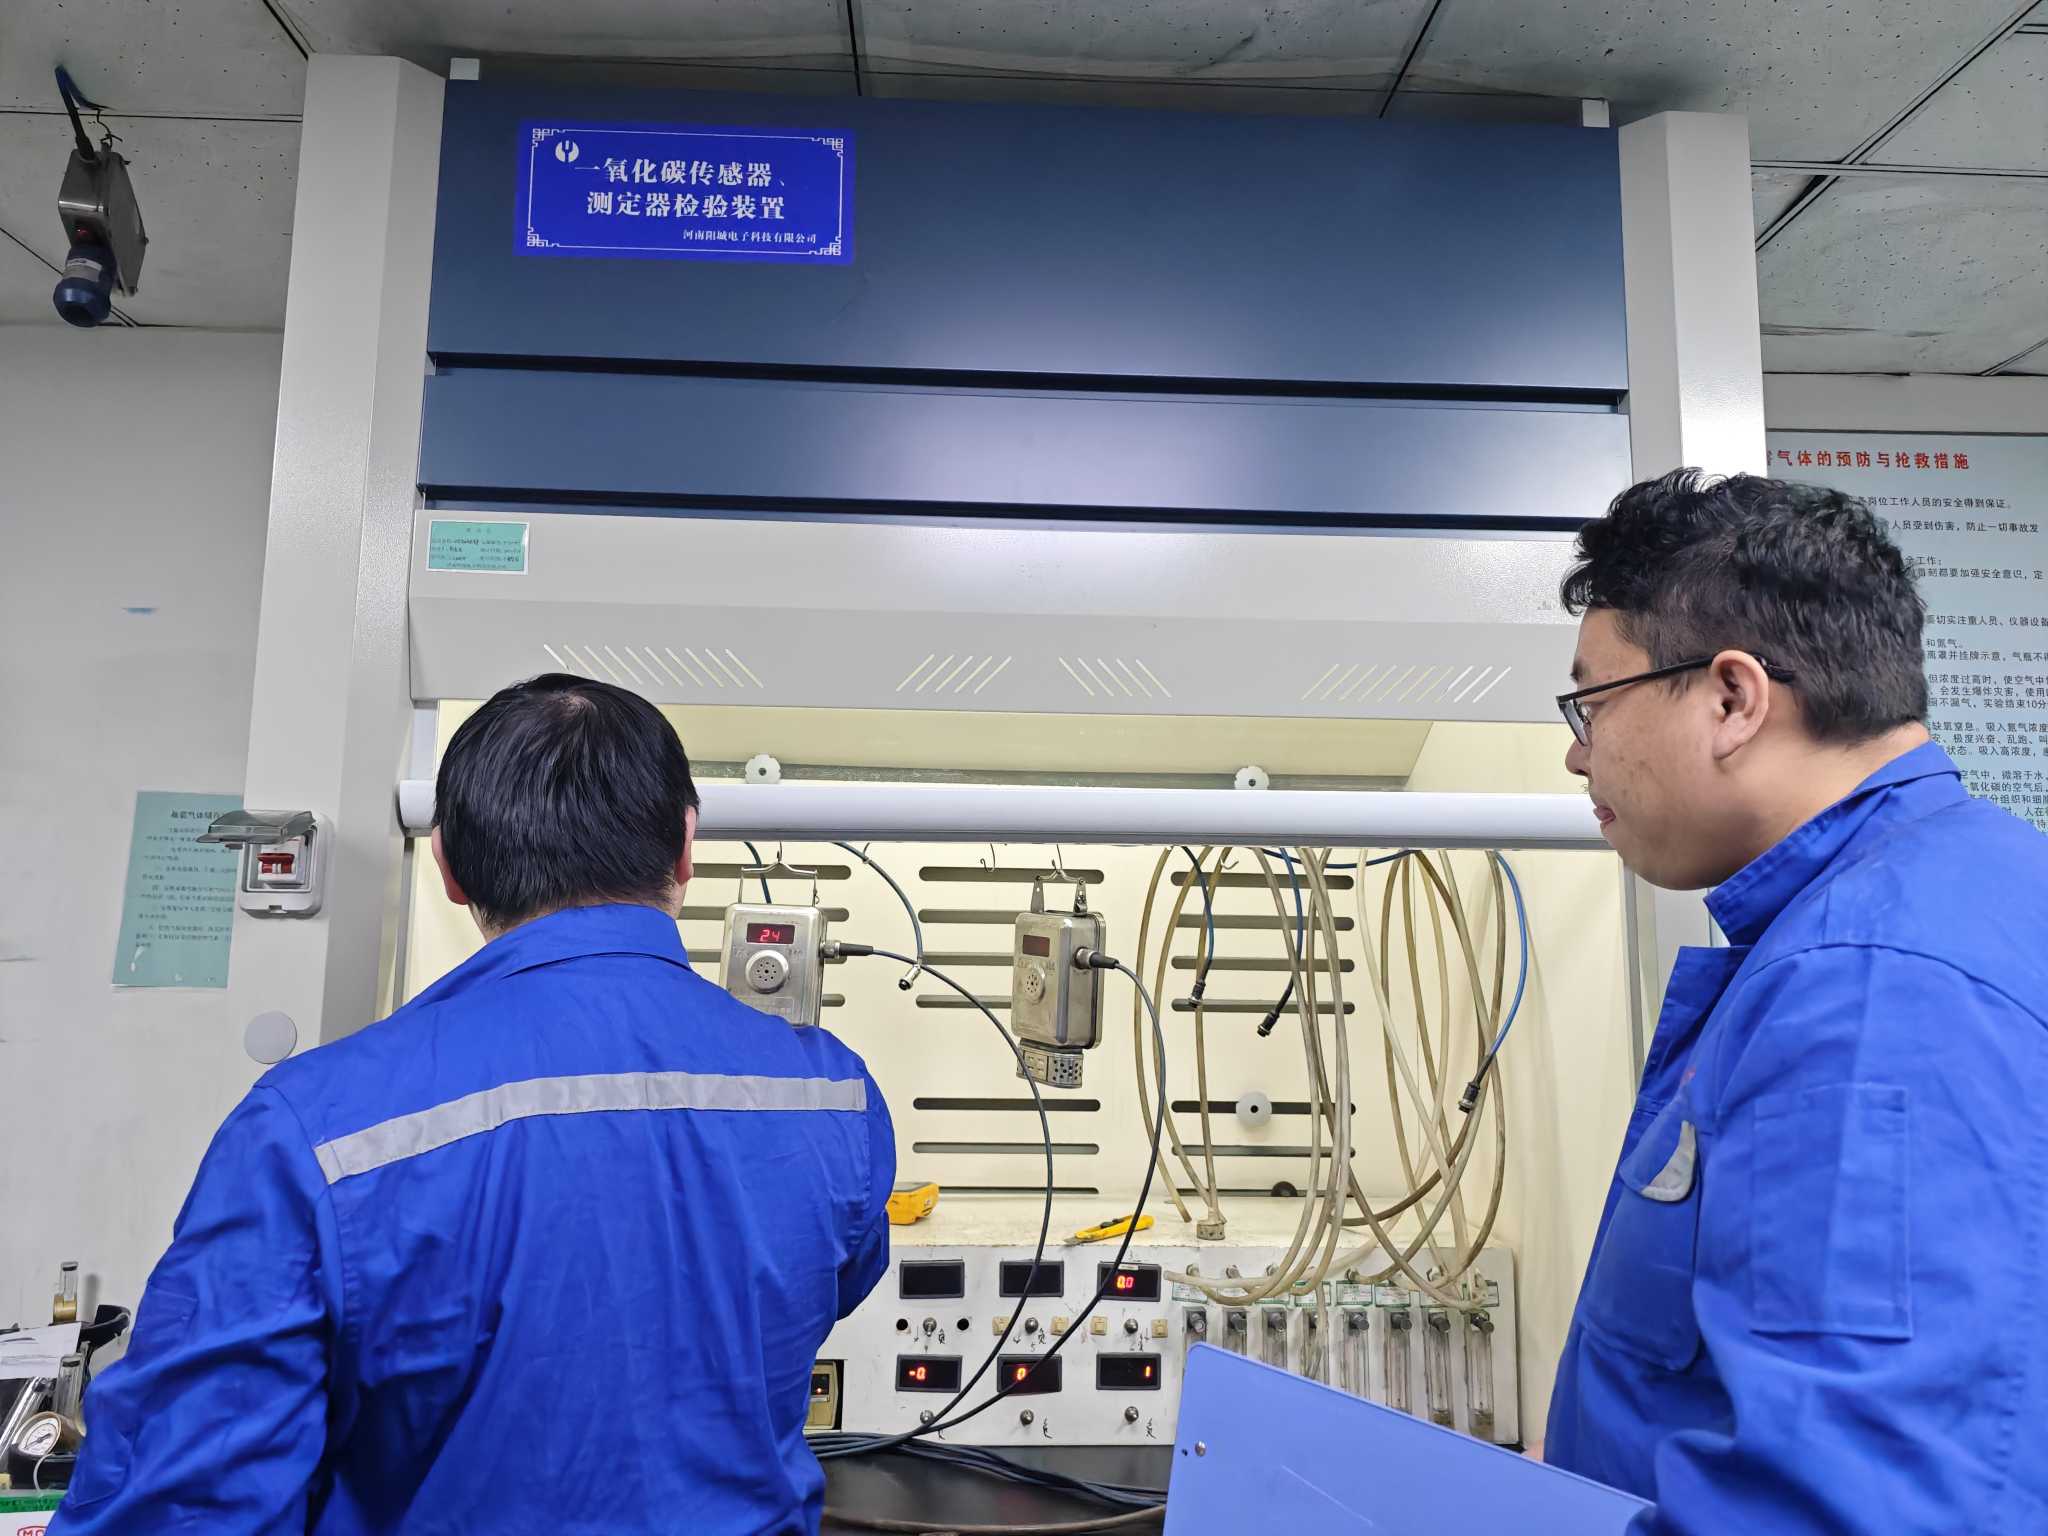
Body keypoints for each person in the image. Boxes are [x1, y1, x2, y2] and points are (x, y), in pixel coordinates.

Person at [54, 675, 895, 1534]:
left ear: (448, 865)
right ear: (686, 847)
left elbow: (185, 1503)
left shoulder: (311, 1129)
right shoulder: (834, 1097)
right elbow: (824, 1287)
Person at [1544, 469, 2048, 1532]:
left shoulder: (1870, 983)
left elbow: (1850, 1500)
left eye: (1593, 703)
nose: (1577, 752)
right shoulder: (1959, 895)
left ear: (1732, 699)